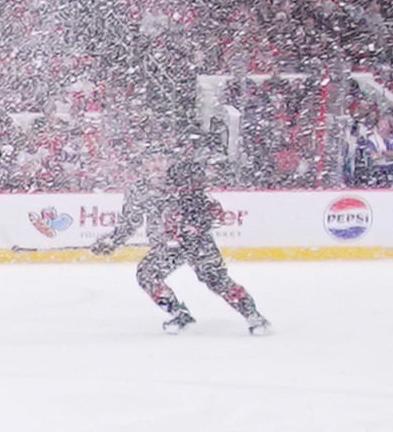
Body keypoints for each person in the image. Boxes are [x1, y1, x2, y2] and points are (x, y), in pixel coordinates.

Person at [89, 144, 270, 335]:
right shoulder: (138, 190)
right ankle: (179, 314)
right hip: (167, 247)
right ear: (143, 166)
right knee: (147, 274)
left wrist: (191, 228)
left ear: (169, 162)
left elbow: (208, 210)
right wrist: (113, 241)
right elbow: (130, 222)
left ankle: (254, 316)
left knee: (216, 279)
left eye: (160, 160)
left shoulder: (183, 180)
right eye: (151, 161)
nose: (156, 166)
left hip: (196, 242)